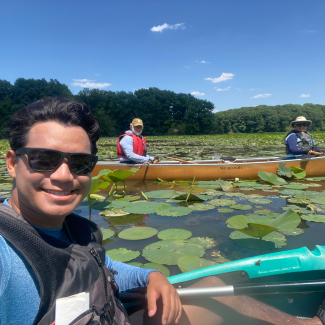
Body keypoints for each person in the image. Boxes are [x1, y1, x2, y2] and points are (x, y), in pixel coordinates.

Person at [0, 97, 323, 325]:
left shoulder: (74, 228)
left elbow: (103, 265)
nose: (64, 176)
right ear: (13, 164)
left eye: (81, 164)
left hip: (107, 314)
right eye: (44, 159)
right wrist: (146, 161)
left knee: (210, 287)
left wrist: (150, 274)